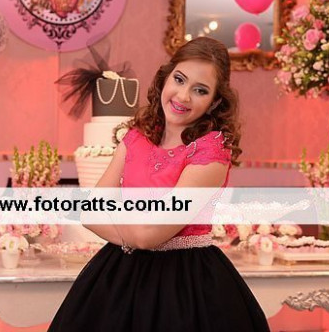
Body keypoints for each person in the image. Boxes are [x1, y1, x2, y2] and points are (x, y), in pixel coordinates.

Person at [48, 37, 270, 331]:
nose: (183, 96)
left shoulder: (211, 152)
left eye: (200, 90)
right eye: (179, 79)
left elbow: (149, 236)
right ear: (166, 77)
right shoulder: (137, 136)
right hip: (119, 276)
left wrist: (120, 220)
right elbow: (90, 213)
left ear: (215, 101)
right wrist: (135, 229)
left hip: (187, 287)